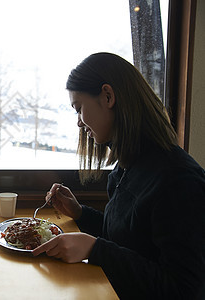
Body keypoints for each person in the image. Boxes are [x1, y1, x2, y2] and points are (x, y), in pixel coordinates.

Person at [32, 52, 205, 299]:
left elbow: (184, 289)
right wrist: (81, 213)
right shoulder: (128, 167)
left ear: (108, 96)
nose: (79, 123)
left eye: (78, 108)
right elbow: (128, 240)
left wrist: (95, 249)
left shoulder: (179, 181)